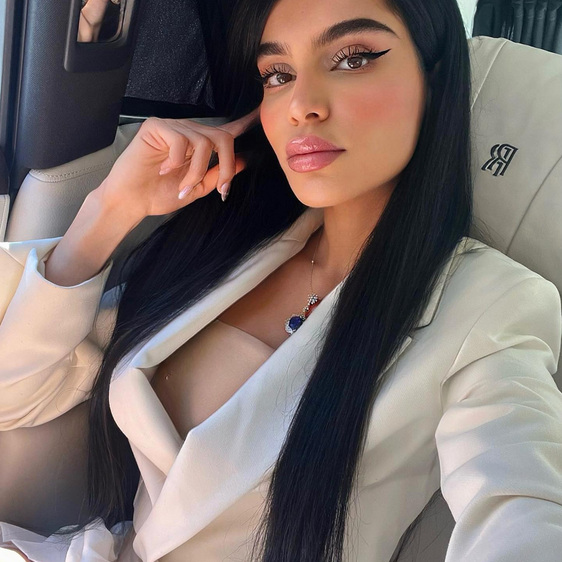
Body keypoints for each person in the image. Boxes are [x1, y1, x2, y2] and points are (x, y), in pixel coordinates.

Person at [1, 0, 562, 560]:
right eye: (278, 74)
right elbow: (14, 400)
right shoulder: (229, 238)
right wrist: (110, 209)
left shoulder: (493, 306)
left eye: (353, 58)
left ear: (434, 82)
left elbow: (521, 504)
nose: (301, 106)